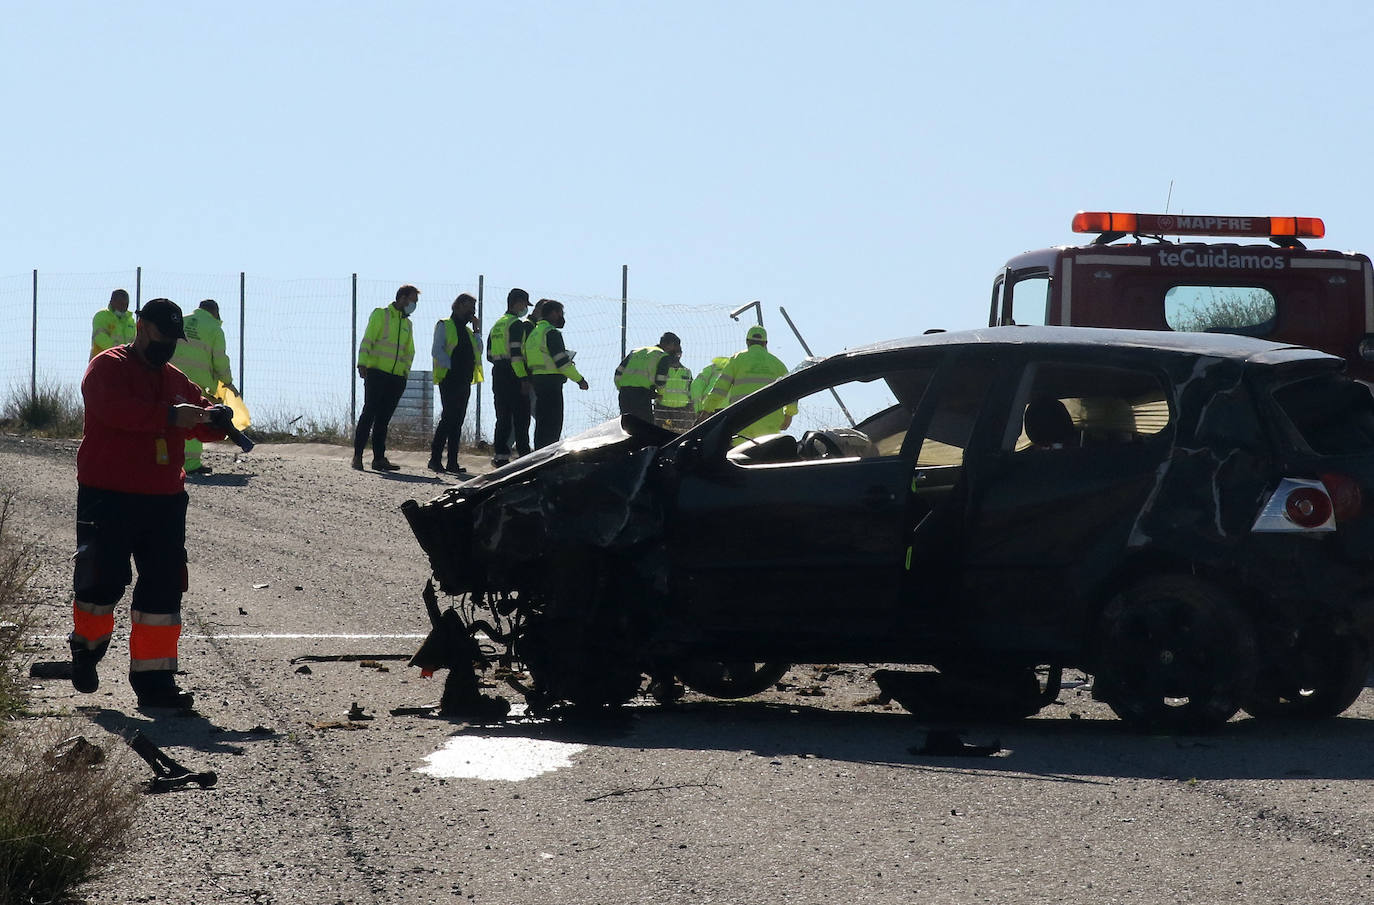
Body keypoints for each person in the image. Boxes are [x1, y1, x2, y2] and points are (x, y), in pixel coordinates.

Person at [69, 298, 228, 710]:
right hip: (108, 497)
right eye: (162, 336)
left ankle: (155, 685)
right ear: (141, 327)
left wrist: (216, 418)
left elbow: (201, 419)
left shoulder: (175, 379)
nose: (167, 347)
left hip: (163, 502)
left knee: (163, 588)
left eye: (173, 340)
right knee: (100, 583)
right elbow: (115, 411)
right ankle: (86, 652)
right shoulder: (107, 367)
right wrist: (170, 417)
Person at [353, 284, 418, 471]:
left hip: (396, 377)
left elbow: (409, 351)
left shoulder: (407, 324)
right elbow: (368, 339)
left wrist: (405, 373)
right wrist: (362, 363)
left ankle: (379, 458)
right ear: (403, 298)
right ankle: (357, 456)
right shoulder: (381, 314)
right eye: (413, 300)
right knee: (369, 413)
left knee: (383, 419)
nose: (414, 305)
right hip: (376, 373)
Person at [170, 299, 238, 476]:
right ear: (215, 312)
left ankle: (170, 460)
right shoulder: (215, 329)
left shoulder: (181, 320)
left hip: (171, 376)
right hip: (196, 382)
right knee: (194, 418)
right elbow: (220, 359)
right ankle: (190, 464)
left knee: (172, 417)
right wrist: (227, 382)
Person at [702, 325, 797, 439]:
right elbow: (791, 390)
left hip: (741, 422)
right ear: (765, 343)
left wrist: (707, 409)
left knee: (739, 455)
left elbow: (720, 389)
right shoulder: (778, 364)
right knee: (767, 455)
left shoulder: (737, 360)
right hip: (770, 425)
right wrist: (789, 415)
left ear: (747, 342)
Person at [429, 293, 482, 475]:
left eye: (474, 308)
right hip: (450, 379)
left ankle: (452, 462)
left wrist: (477, 331)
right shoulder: (445, 325)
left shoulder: (468, 332)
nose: (472, 311)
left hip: (465, 380)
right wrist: (451, 368)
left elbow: (479, 350)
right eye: (469, 307)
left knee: (457, 421)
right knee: (448, 418)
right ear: (458, 306)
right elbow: (437, 350)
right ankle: (435, 459)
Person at [525, 300, 588, 449]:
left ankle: (538, 458)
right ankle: (548, 462)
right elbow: (561, 363)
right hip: (552, 384)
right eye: (561, 313)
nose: (562, 317)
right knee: (553, 425)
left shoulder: (534, 333)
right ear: (553, 313)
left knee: (541, 425)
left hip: (537, 382)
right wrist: (580, 380)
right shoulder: (551, 333)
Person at [486, 288, 533, 467]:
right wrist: (523, 378)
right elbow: (516, 354)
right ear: (518, 303)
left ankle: (500, 455)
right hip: (513, 374)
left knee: (503, 416)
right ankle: (524, 456)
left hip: (498, 372)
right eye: (524, 304)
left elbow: (489, 355)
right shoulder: (515, 324)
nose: (524, 309)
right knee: (521, 416)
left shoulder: (497, 324)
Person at [613, 332, 680, 422]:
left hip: (624, 394)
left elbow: (618, 373)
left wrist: (621, 388)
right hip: (642, 395)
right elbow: (660, 380)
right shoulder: (663, 356)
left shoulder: (635, 352)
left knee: (627, 425)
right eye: (676, 348)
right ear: (671, 345)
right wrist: (660, 394)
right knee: (644, 427)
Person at [653, 344, 694, 432]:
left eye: (679, 353)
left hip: (682, 410)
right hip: (663, 409)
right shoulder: (662, 370)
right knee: (661, 433)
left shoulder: (687, 371)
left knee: (681, 435)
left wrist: (691, 408)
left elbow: (691, 391)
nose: (677, 355)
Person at [91, 288, 135, 359]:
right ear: (112, 302)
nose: (124, 307)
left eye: (126, 304)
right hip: (103, 361)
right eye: (121, 303)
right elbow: (101, 338)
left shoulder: (130, 321)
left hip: (124, 363)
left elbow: (134, 342)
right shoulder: (102, 316)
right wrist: (120, 352)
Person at [690, 355, 731, 421]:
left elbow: (696, 386)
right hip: (732, 407)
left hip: (708, 409)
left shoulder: (712, 369)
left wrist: (698, 409)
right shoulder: (737, 367)